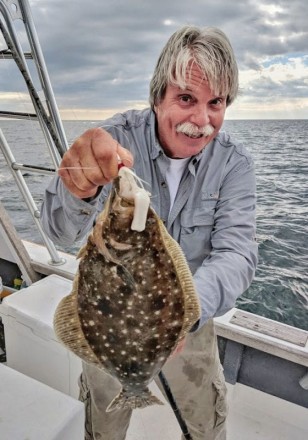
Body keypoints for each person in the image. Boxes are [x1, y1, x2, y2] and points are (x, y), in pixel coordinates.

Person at [41, 25, 258, 440]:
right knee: (102, 429)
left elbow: (238, 254)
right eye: (186, 99)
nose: (202, 120)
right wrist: (78, 187)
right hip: (110, 322)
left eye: (216, 103)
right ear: (158, 96)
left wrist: (183, 316)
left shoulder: (234, 164)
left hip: (190, 325)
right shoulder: (114, 141)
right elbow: (58, 229)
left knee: (206, 425)